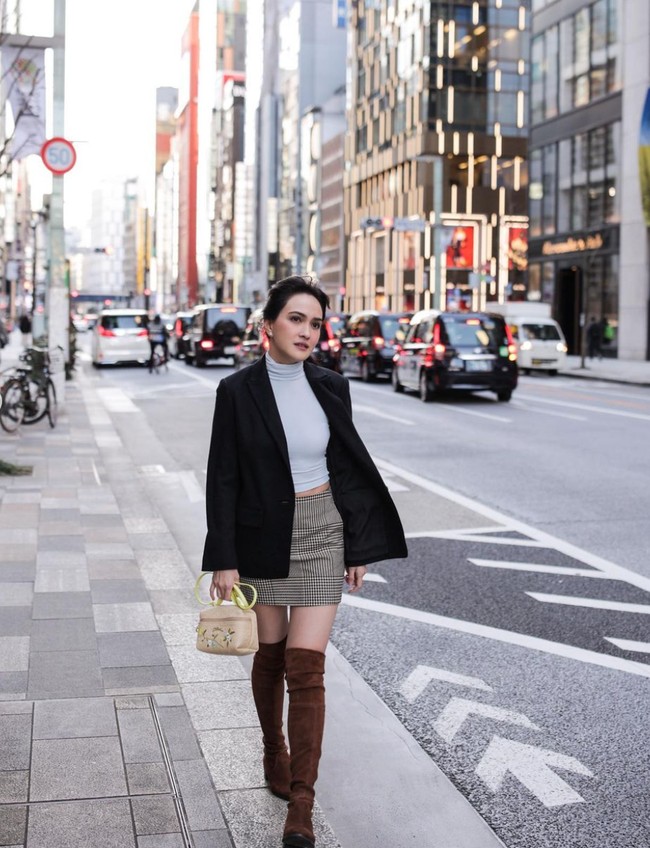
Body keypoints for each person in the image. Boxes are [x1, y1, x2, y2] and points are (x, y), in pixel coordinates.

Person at [202, 275, 407, 848]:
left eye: (315, 323)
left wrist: (358, 547)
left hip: (322, 531)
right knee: (270, 654)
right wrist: (224, 557)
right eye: (296, 319)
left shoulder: (332, 387)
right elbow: (223, 478)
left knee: (305, 664)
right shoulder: (237, 392)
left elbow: (346, 470)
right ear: (268, 326)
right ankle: (274, 749)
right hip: (262, 535)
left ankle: (302, 802)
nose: (307, 331)